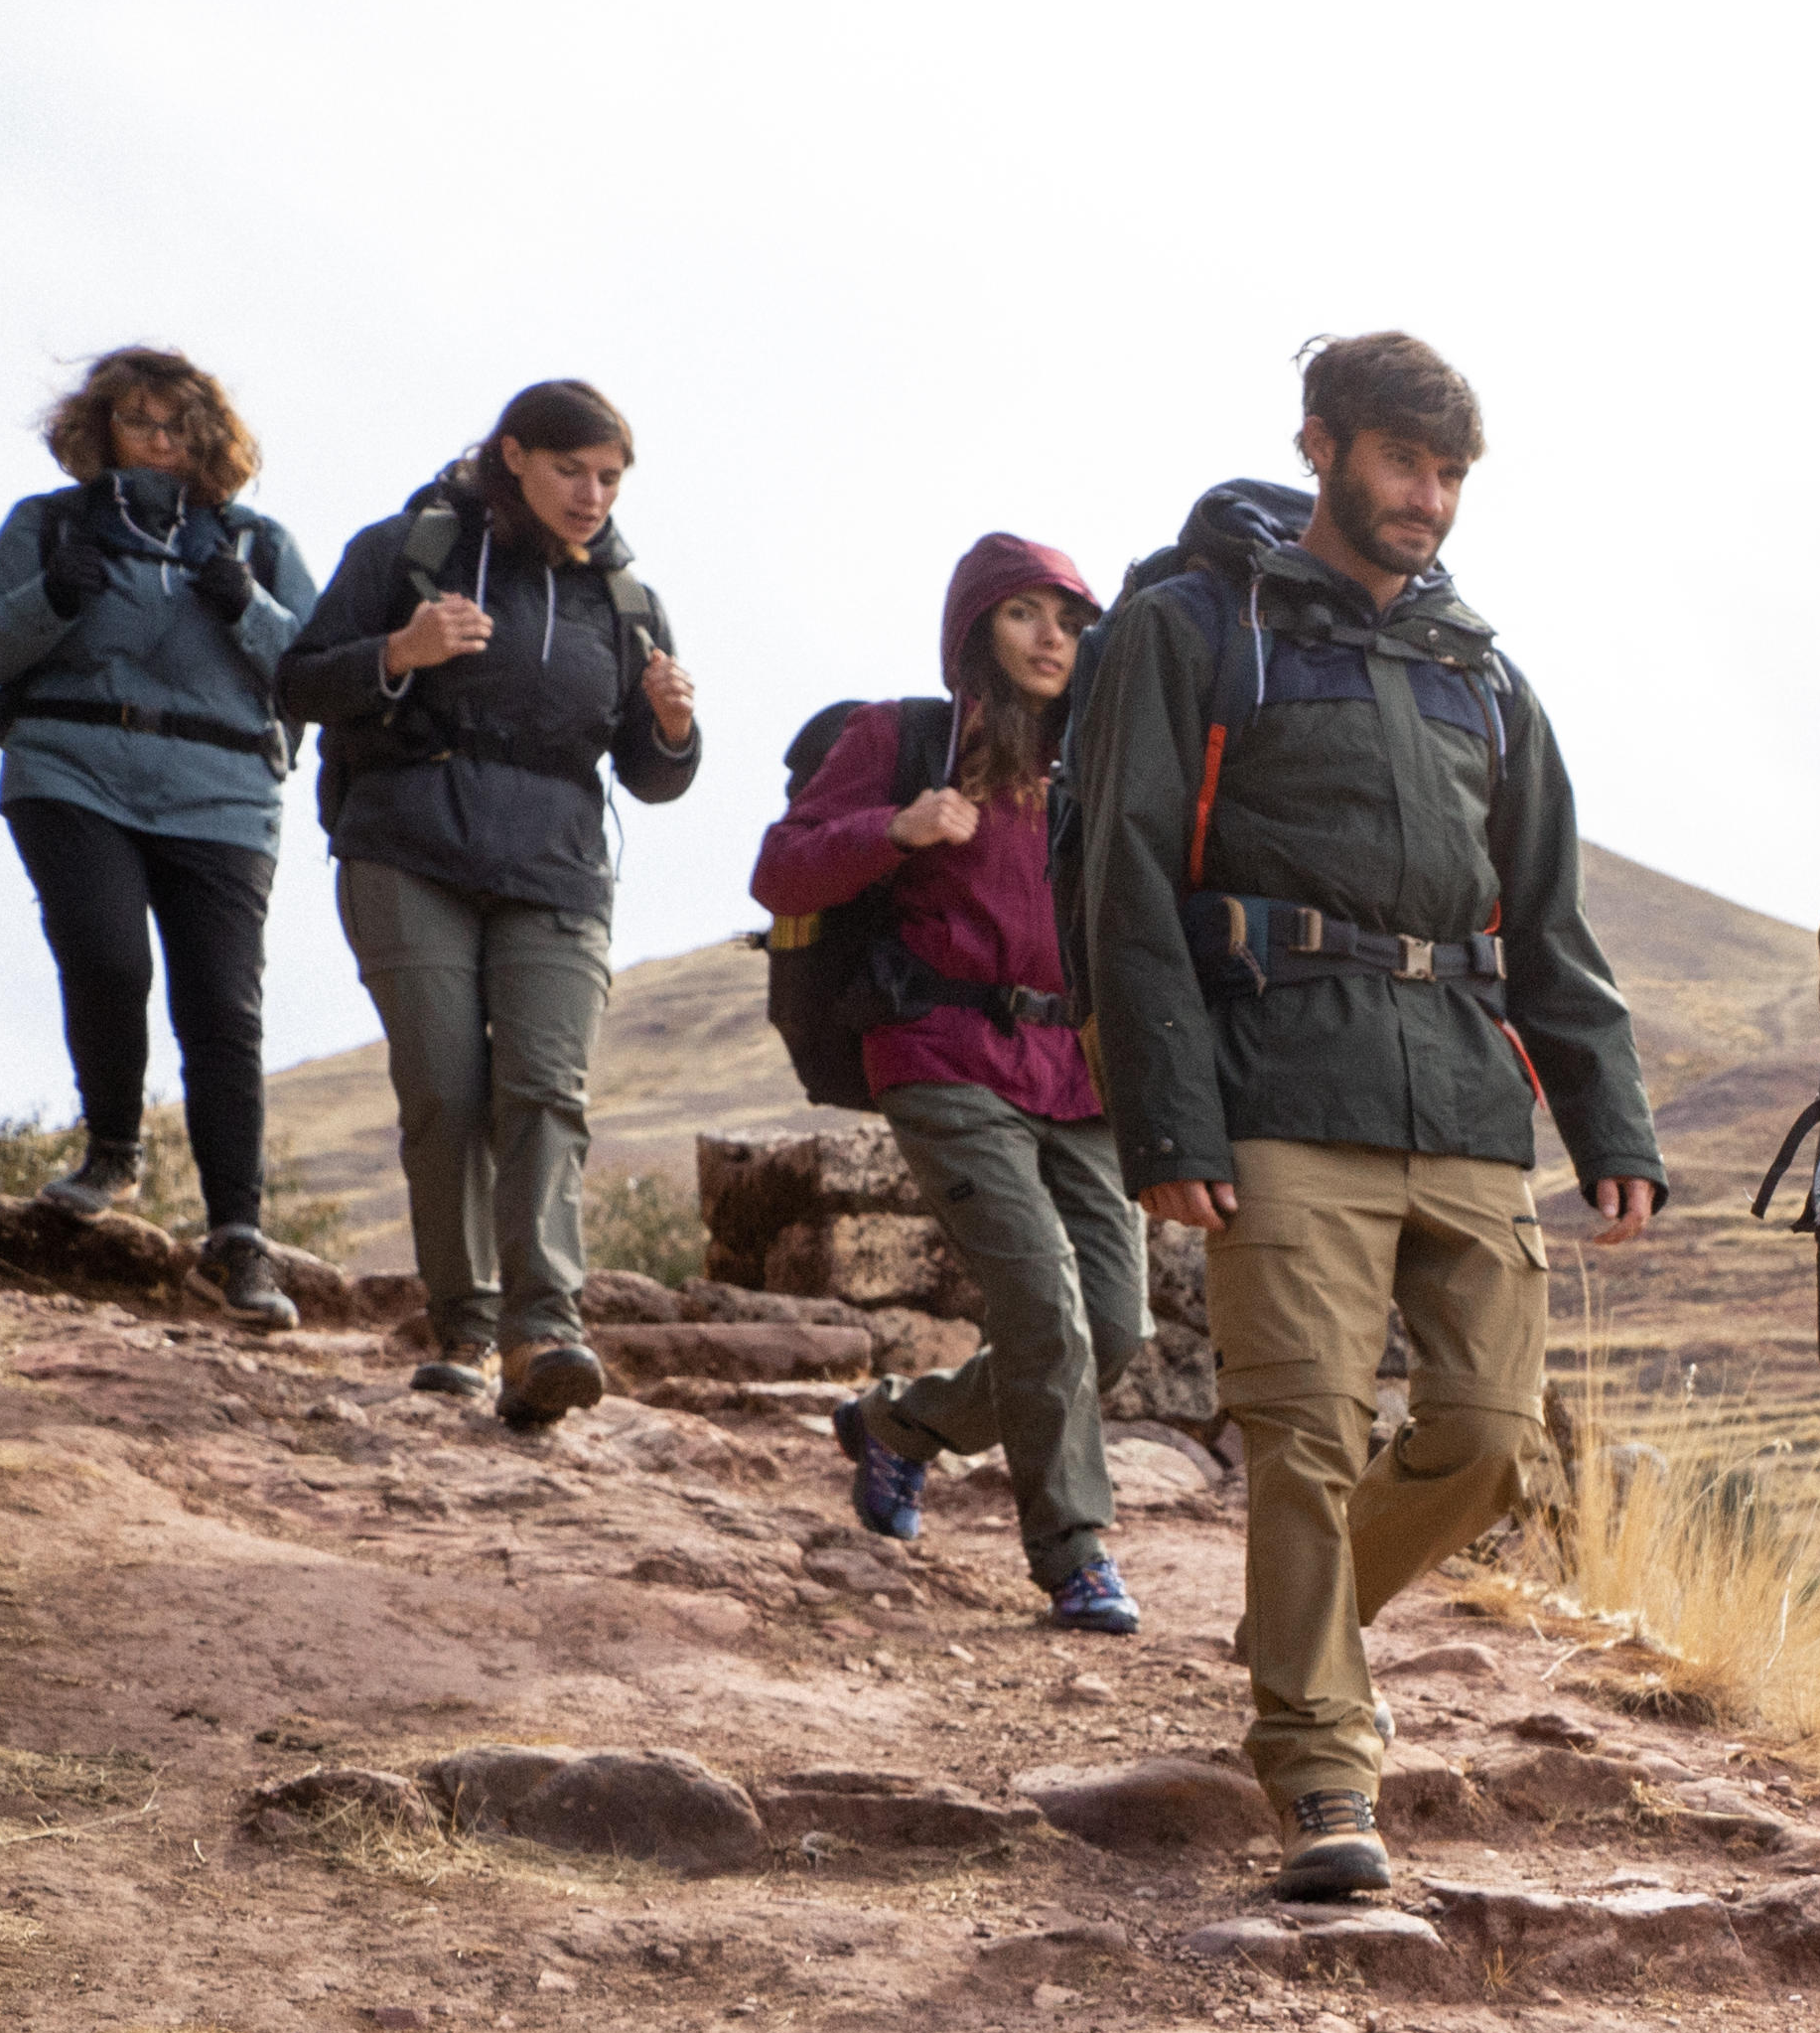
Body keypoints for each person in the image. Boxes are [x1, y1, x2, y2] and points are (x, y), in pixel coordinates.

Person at [1064, 334, 1656, 1897]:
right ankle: (1324, 1770)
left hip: (1463, 1096)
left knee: (1485, 1438)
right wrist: (1169, 1127)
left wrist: (1611, 1123)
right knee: (1308, 1439)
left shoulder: (1482, 670)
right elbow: (1122, 885)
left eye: (1451, 474)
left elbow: (1547, 911)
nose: (1429, 500)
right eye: (1404, 463)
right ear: (1322, 446)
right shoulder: (1194, 629)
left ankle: (1293, 1628)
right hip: (1278, 1092)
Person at [274, 379, 700, 1425]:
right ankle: (464, 1327)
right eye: (571, 471)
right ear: (514, 455)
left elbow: (651, 775)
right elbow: (295, 684)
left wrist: (675, 729)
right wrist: (398, 654)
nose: (592, 495)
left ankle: (544, 1333)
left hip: (556, 868)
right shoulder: (406, 550)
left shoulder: (625, 597)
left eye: (609, 477)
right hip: (408, 848)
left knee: (548, 1094)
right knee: (448, 1091)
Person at [760, 533, 1143, 1632]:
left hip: (1074, 1073)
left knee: (1112, 1328)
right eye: (1025, 615)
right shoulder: (903, 739)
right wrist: (894, 828)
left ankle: (897, 1430)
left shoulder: (1100, 759)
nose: (1051, 639)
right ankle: (1074, 1556)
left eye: (1070, 621)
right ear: (976, 629)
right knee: (1043, 1305)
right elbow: (779, 868)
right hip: (937, 1054)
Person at [0, 348, 320, 1324]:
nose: (159, 442)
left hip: (224, 791)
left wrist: (244, 601)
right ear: (100, 430)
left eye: (177, 426)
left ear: (209, 442)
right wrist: (56, 594)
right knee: (108, 957)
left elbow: (322, 675)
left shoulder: (260, 543)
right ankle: (113, 1146)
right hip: (71, 769)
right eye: (139, 422)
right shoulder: (49, 525)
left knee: (222, 1010)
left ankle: (237, 1241)